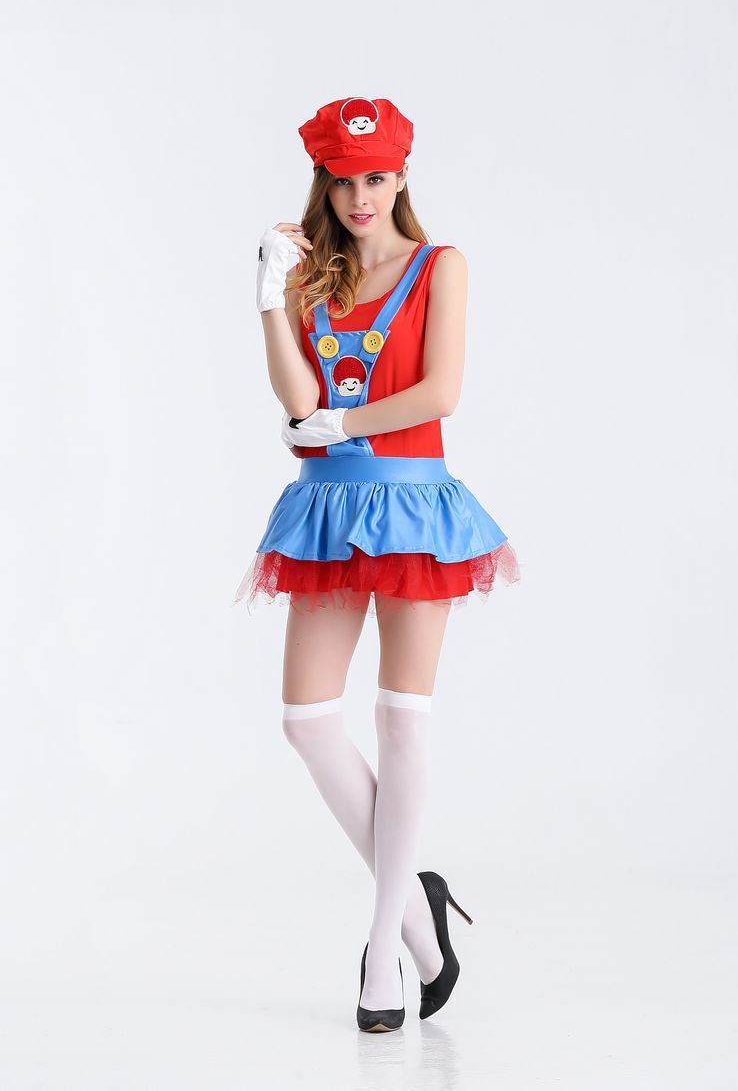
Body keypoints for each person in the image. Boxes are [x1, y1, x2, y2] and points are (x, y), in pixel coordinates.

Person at [233, 96, 520, 1032]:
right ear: (323, 183)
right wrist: (270, 296)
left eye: (376, 176)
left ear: (402, 175)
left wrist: (344, 421)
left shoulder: (441, 266)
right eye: (342, 179)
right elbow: (296, 401)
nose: (360, 196)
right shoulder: (316, 276)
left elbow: (442, 391)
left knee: (401, 718)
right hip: (325, 507)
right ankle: (418, 915)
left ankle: (385, 951)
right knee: (307, 720)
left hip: (413, 505)